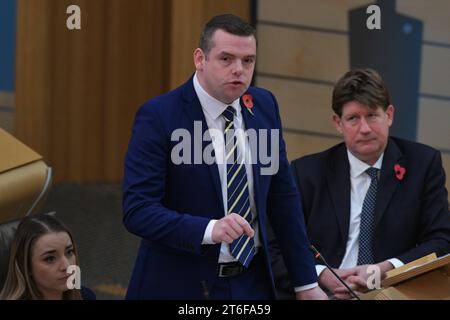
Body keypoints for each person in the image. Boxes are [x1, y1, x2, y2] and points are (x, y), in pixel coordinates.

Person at [122, 14, 327, 300]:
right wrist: (210, 229)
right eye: (226, 59)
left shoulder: (264, 105)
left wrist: (306, 283)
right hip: (183, 282)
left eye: (248, 61)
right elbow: (138, 210)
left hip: (252, 282)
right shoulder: (159, 117)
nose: (239, 71)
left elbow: (283, 198)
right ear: (200, 59)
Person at [271, 68, 450, 299]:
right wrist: (320, 275)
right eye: (353, 118)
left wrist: (385, 269)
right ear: (338, 123)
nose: (364, 129)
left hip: (392, 292)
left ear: (389, 115)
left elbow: (442, 241)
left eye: (372, 116)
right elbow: (275, 245)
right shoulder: (306, 173)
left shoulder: (422, 165)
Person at [0, 214, 95, 300]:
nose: (67, 266)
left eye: (69, 252)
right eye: (50, 259)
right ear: (26, 266)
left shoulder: (85, 296)